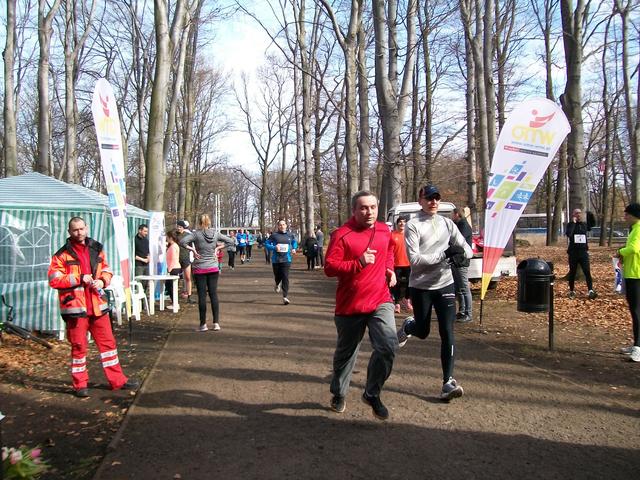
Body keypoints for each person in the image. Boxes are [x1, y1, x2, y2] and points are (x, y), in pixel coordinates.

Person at [325, 191, 398, 421]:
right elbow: (329, 267)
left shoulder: (384, 230)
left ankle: (372, 393)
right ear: (354, 210)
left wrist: (389, 268)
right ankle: (339, 393)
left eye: (373, 207)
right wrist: (358, 263)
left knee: (388, 346)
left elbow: (388, 251)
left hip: (380, 299)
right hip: (350, 305)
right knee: (346, 355)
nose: (369, 212)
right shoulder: (342, 235)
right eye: (363, 208)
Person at [48, 217, 139, 398]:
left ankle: (118, 380)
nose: (79, 232)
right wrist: (79, 278)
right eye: (75, 230)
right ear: (69, 232)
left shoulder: (96, 248)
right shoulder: (61, 255)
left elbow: (107, 270)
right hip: (76, 309)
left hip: (98, 306)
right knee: (79, 346)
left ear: (87, 228)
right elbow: (54, 280)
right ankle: (80, 384)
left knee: (109, 345)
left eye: (81, 229)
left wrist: (103, 281)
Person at [397, 185, 473, 401]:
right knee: (423, 331)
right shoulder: (413, 225)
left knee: (447, 331)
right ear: (420, 200)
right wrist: (445, 254)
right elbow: (415, 260)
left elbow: (466, 247)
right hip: (421, 286)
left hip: (445, 284)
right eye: (429, 198)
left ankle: (448, 382)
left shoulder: (447, 223)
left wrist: (462, 256)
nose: (434, 202)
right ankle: (409, 326)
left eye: (437, 198)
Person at [179, 214, 234, 332]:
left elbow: (182, 241)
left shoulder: (196, 234)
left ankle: (203, 324)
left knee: (202, 296)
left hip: (200, 268)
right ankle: (216, 323)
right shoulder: (215, 234)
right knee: (213, 294)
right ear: (209, 222)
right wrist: (217, 248)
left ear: (199, 222)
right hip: (213, 267)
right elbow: (231, 241)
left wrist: (193, 249)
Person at [615, 203, 640, 362]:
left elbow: (634, 249)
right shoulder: (634, 229)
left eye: (627, 214)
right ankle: (636, 343)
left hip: (637, 275)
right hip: (631, 273)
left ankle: (638, 348)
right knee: (634, 310)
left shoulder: (638, 229)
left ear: (634, 215)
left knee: (637, 311)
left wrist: (620, 252)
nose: (625, 217)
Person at [566, 208, 597, 300]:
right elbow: (569, 234)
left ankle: (590, 290)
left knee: (587, 271)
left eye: (579, 213)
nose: (578, 215)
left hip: (583, 252)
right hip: (573, 253)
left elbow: (592, 225)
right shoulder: (570, 225)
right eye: (576, 213)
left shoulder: (584, 225)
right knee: (572, 272)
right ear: (573, 215)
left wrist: (590, 215)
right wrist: (573, 223)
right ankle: (571, 291)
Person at [265, 219, 298, 305]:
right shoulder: (274, 235)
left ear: (286, 226)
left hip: (287, 259)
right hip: (276, 260)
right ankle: (277, 284)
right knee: (277, 276)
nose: (282, 226)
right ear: (278, 226)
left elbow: (294, 242)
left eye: (283, 224)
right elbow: (266, 244)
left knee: (285, 277)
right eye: (280, 225)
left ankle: (285, 297)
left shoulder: (290, 235)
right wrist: (274, 247)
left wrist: (294, 248)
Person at [451, 208, 473, 323]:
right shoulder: (458, 225)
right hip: (456, 260)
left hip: (462, 260)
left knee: (464, 288)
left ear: (457, 214)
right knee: (459, 288)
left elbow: (459, 242)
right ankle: (461, 311)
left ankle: (468, 313)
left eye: (452, 214)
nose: (451, 216)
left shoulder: (463, 226)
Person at [390, 215, 412, 313]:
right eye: (400, 222)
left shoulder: (409, 234)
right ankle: (397, 304)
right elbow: (389, 250)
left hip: (408, 264)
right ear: (397, 224)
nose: (402, 223)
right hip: (396, 264)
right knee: (396, 285)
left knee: (409, 283)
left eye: (404, 222)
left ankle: (407, 300)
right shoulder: (392, 235)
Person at [176, 220, 193, 303]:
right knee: (176, 278)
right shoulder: (174, 235)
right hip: (176, 259)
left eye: (180, 227)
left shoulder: (188, 235)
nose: (178, 228)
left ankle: (189, 296)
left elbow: (191, 247)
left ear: (183, 228)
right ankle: (174, 297)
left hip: (186, 258)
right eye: (178, 227)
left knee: (188, 277)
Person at [165, 229, 182, 304]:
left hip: (174, 268)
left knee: (170, 286)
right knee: (170, 286)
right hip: (174, 267)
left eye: (167, 237)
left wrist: (169, 270)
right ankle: (174, 302)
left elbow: (173, 259)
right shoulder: (173, 246)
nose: (166, 238)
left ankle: (175, 303)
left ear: (171, 238)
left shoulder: (173, 246)